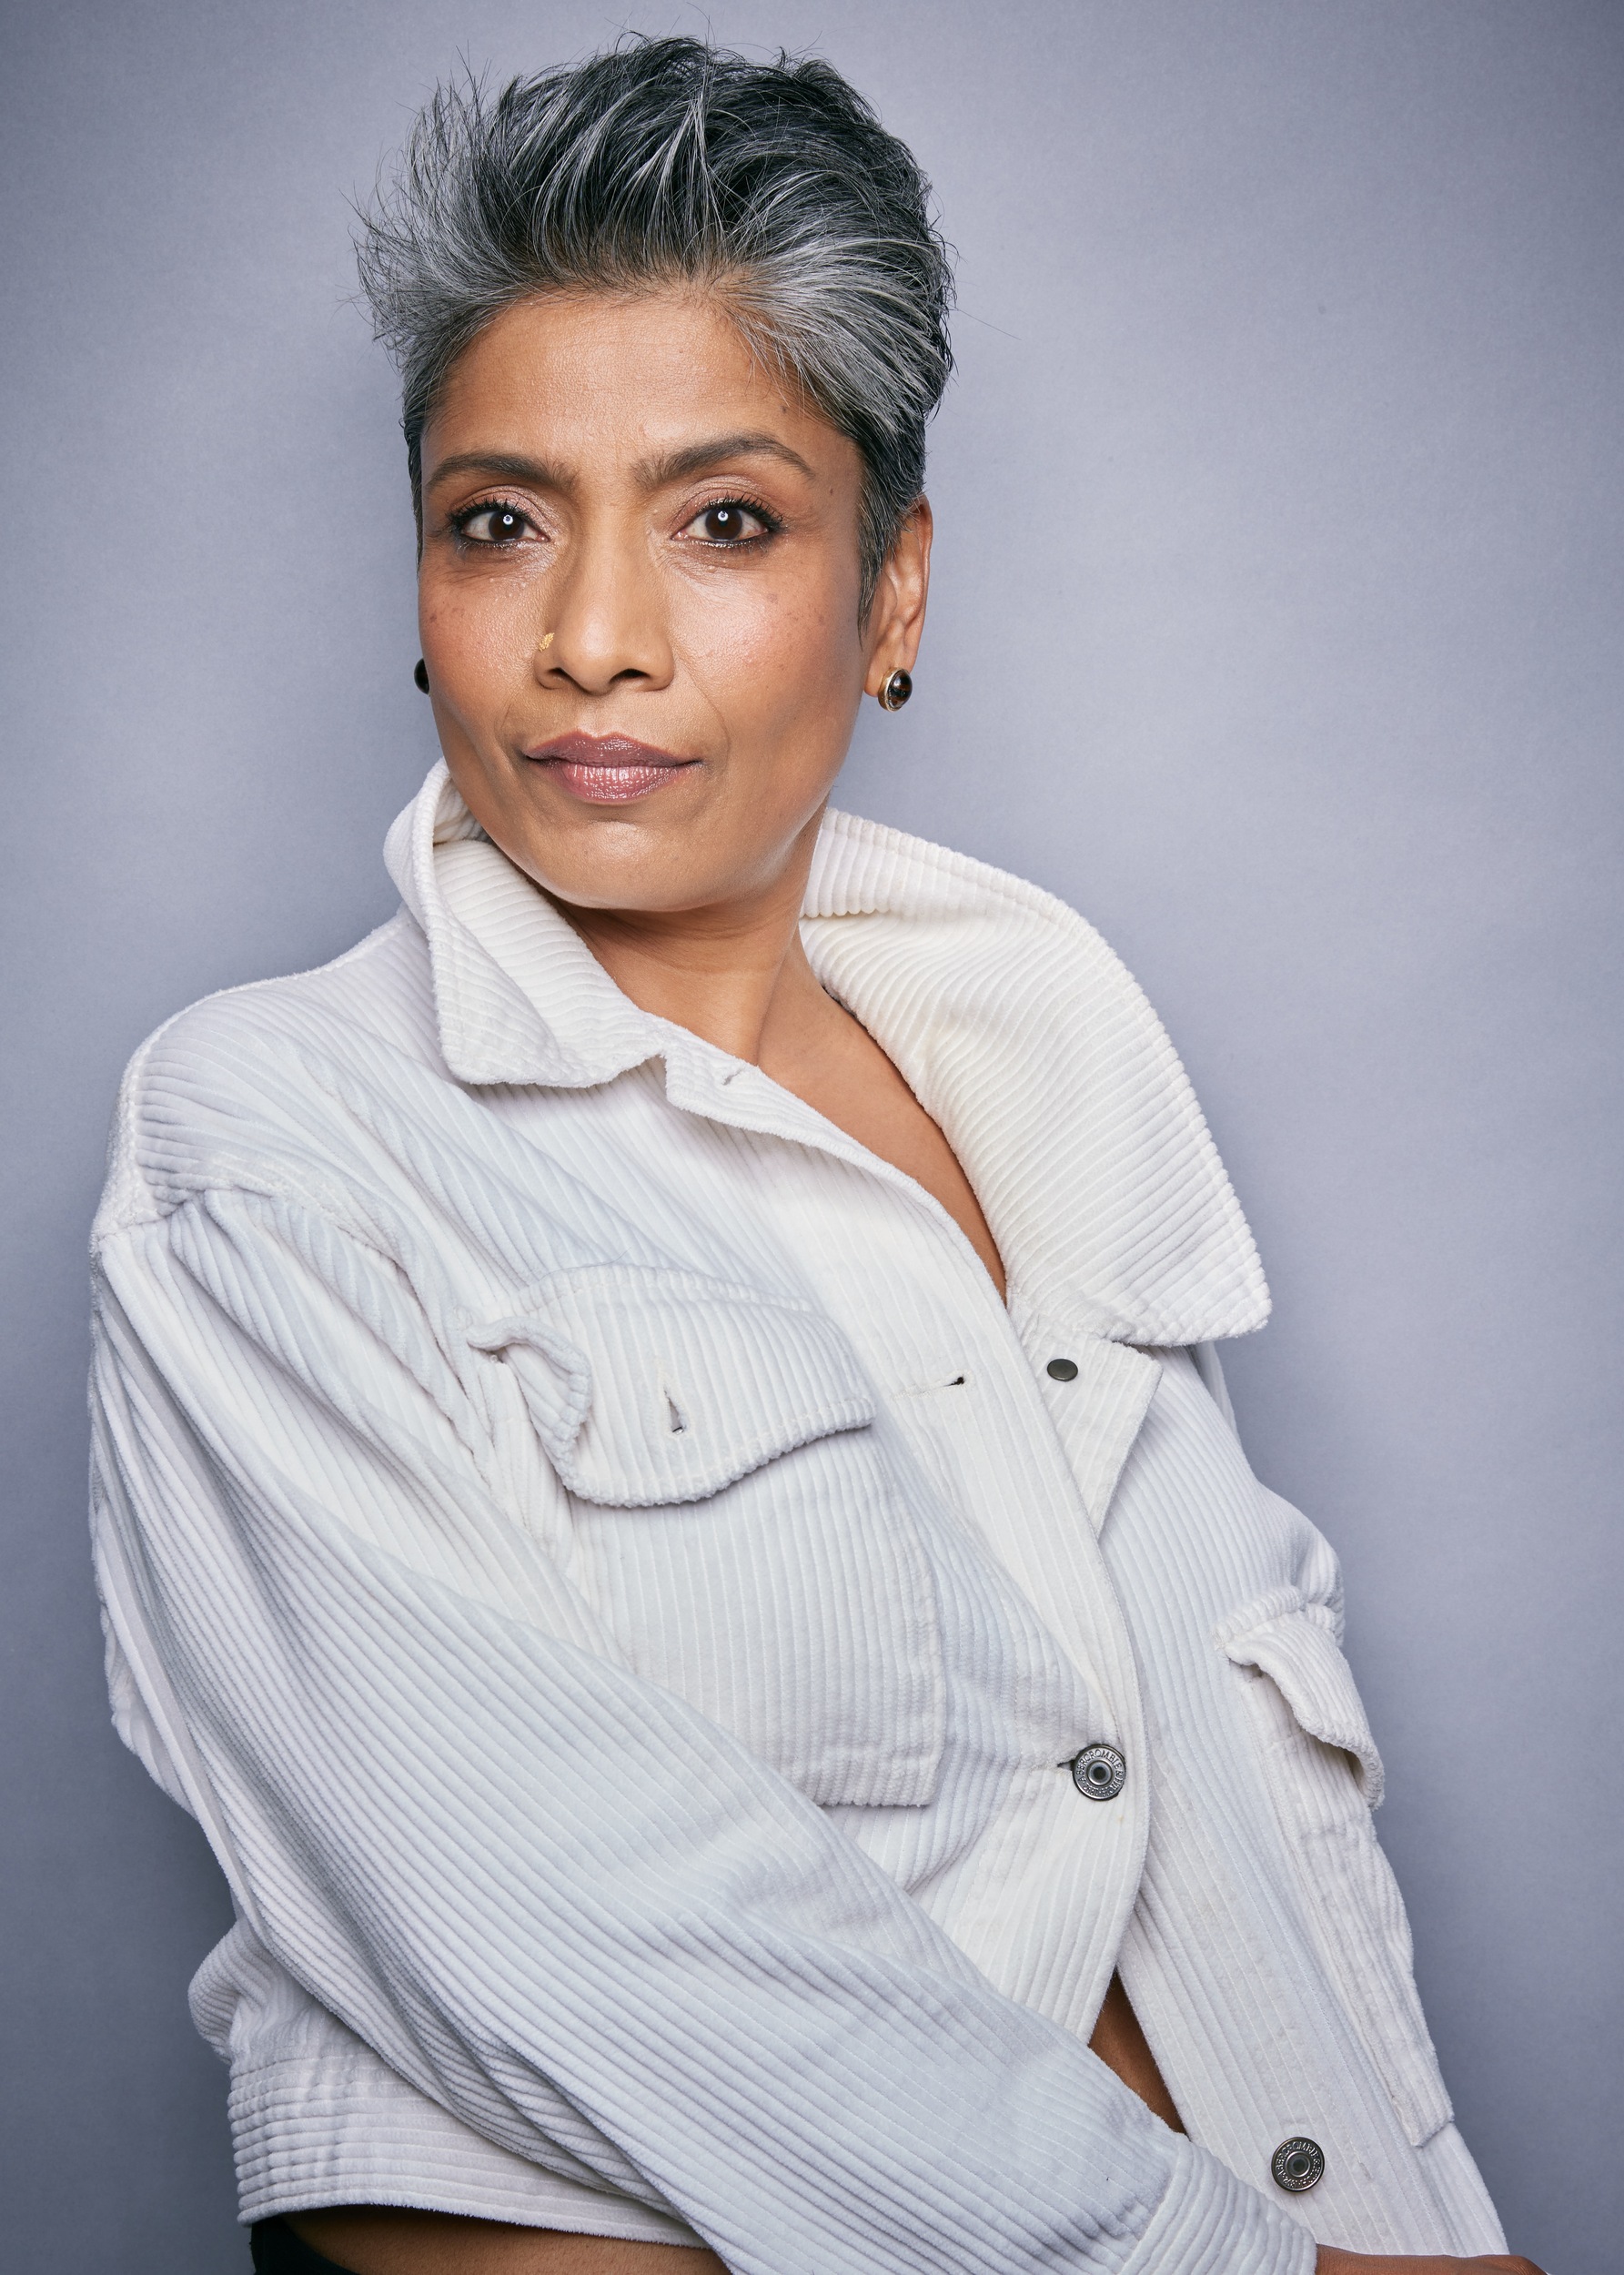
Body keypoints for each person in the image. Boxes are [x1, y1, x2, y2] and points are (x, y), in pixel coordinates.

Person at [87, 37, 1543, 2275]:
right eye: (497, 520)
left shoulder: (1049, 1103)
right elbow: (573, 1917)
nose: (589, 637)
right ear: (417, 579)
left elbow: (1247, 1879)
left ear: (893, 594)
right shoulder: (272, 1138)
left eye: (723, 521)